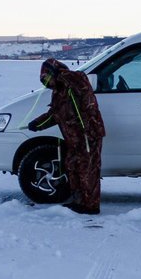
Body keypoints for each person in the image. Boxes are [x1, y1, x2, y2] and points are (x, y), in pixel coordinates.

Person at [27, 58, 106, 214]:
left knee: (88, 169)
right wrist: (37, 124)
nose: (47, 83)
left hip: (87, 134)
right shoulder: (59, 91)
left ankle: (91, 206)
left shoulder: (75, 79)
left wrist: (62, 75)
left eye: (47, 78)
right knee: (72, 166)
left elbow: (80, 84)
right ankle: (79, 201)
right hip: (74, 138)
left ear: (52, 72)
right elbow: (55, 114)